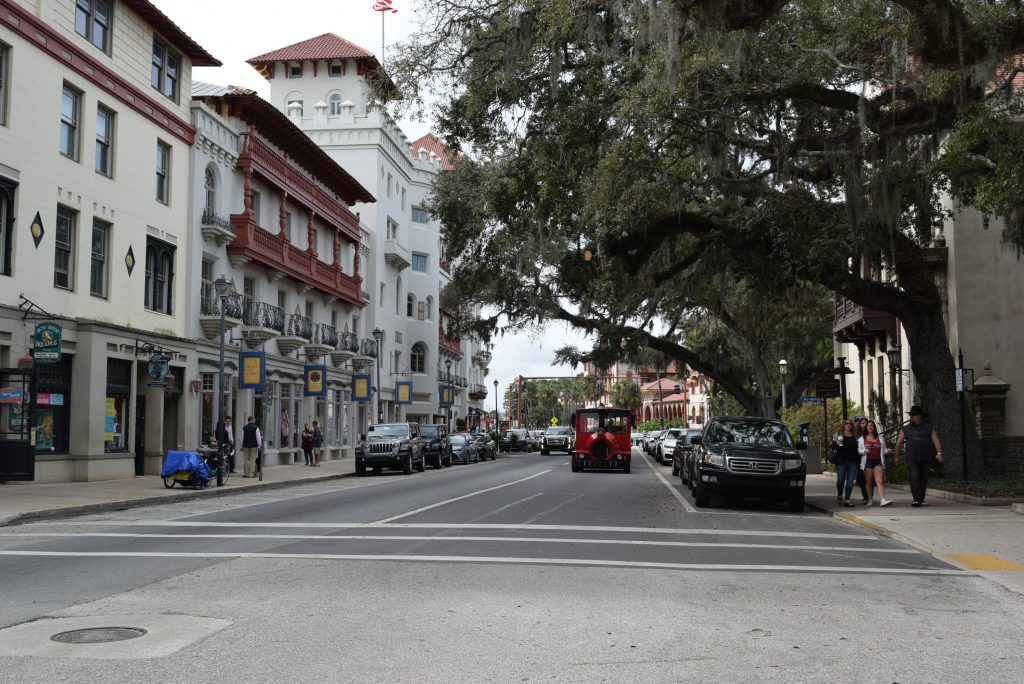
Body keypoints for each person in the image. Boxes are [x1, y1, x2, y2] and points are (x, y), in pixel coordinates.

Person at [894, 405, 943, 507]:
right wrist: (897, 456)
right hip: (912, 458)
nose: (912, 417)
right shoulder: (905, 429)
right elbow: (898, 443)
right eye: (911, 415)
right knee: (915, 476)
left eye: (914, 415)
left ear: (920, 416)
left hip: (926, 457)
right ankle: (916, 499)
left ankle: (921, 498)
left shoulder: (929, 427)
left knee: (924, 479)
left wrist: (939, 453)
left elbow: (936, 440)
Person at [859, 419, 891, 507]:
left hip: (878, 461)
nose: (870, 427)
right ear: (866, 427)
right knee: (869, 482)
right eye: (868, 425)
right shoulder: (862, 439)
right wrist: (864, 451)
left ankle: (883, 500)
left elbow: (883, 450)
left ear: (874, 427)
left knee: (879, 480)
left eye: (872, 426)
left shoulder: (880, 438)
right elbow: (859, 450)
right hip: (867, 462)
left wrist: (886, 451)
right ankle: (870, 499)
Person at [833, 420, 860, 507]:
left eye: (850, 424)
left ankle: (847, 499)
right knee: (840, 481)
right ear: (843, 425)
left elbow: (859, 448)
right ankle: (840, 494)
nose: (848, 425)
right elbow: (832, 446)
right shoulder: (838, 435)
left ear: (852, 426)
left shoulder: (855, 436)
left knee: (850, 481)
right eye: (846, 423)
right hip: (841, 461)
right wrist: (837, 443)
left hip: (853, 462)